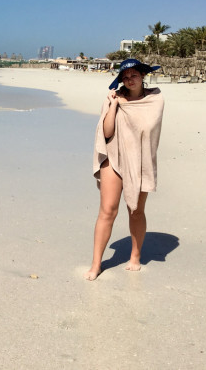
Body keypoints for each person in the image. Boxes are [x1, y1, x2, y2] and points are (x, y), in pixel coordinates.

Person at [85, 59, 164, 281]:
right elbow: (107, 132)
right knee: (107, 210)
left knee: (136, 211)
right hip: (113, 155)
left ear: (142, 76)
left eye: (134, 75)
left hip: (139, 159)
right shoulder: (113, 99)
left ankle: (135, 256)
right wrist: (114, 105)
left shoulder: (155, 99)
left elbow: (147, 128)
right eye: (125, 77)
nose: (130, 80)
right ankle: (96, 264)